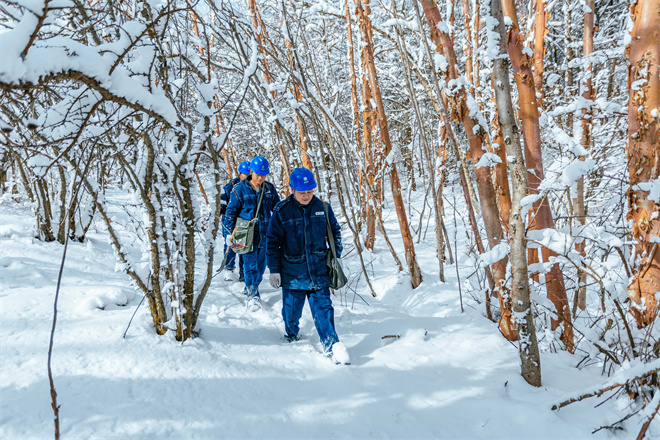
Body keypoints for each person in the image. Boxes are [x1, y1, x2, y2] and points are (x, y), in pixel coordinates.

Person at [266, 167, 350, 364]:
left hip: (319, 270)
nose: (306, 196)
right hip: (292, 273)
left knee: (324, 310)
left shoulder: (323, 207)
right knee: (291, 310)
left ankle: (332, 347)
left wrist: (336, 256)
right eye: (302, 192)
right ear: (293, 190)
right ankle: (291, 333)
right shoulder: (281, 211)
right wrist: (274, 270)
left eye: (310, 191)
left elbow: (335, 232)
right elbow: (272, 242)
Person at [223, 156, 280, 311]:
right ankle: (252, 294)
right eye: (257, 174)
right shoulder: (239, 189)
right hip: (245, 235)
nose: (260, 178)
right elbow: (230, 213)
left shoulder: (269, 188)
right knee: (250, 265)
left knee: (261, 267)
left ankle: (251, 286)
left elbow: (278, 208)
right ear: (251, 172)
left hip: (265, 234)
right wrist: (229, 234)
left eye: (263, 174)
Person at [220, 161, 251, 282]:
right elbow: (221, 203)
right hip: (230, 219)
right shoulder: (229, 187)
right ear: (240, 174)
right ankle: (228, 268)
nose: (247, 178)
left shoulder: (251, 187)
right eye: (245, 175)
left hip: (244, 221)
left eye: (249, 175)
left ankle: (244, 272)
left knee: (245, 245)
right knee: (230, 243)